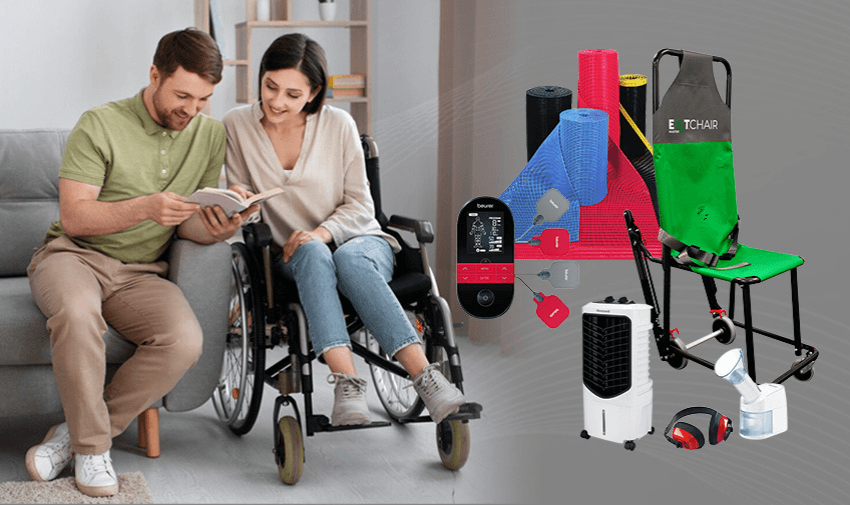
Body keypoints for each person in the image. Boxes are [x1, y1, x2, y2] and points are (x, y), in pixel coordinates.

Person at [25, 28, 257, 497]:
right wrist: (146, 206)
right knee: (77, 313)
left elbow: (186, 224)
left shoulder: (210, 136)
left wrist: (219, 227)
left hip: (140, 274)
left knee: (185, 341)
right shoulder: (100, 123)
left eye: (204, 99)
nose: (191, 110)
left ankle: (74, 435)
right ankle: (92, 452)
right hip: (74, 257)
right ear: (155, 75)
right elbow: (75, 216)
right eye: (182, 95)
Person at [223, 33, 466, 428]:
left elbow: (361, 206)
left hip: (360, 241)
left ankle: (428, 380)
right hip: (293, 255)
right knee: (313, 253)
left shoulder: (338, 125)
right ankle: (347, 384)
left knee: (348, 258)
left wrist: (321, 231)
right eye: (270, 86)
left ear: (314, 92)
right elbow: (248, 216)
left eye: (292, 93)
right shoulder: (237, 125)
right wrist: (240, 202)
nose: (277, 101)